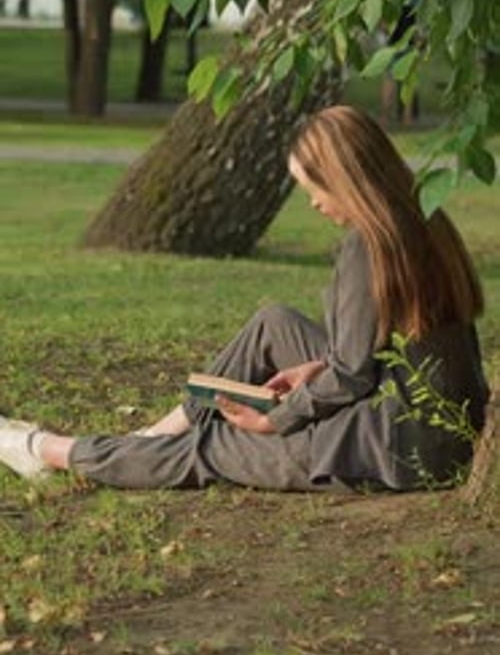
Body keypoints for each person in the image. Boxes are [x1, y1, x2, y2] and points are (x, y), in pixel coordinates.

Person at [0, 106, 490, 493]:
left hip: (398, 444)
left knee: (211, 446)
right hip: (423, 418)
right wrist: (315, 368)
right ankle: (154, 435)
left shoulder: (370, 243)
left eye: (313, 188)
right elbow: (377, 352)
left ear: (345, 178)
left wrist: (275, 418)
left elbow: (353, 375)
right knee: (273, 323)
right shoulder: (423, 215)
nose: (313, 203)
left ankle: (42, 449)